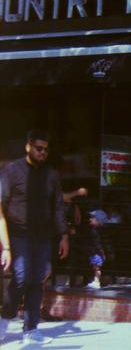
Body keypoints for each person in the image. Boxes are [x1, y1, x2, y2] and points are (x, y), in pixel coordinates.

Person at [0, 130, 69, 346]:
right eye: (39, 148)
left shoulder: (51, 174)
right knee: (21, 276)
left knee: (37, 280)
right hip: (18, 233)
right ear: (28, 147)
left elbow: (58, 206)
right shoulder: (12, 170)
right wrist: (5, 244)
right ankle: (4, 318)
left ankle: (30, 329)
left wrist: (64, 236)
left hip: (43, 236)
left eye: (46, 150)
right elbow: (2, 205)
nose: (43, 153)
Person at [84, 209, 113, 289]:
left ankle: (96, 281)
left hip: (96, 253)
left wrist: (100, 252)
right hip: (94, 252)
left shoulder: (97, 232)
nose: (90, 219)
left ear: (99, 220)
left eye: (93, 218)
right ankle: (95, 280)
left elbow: (98, 244)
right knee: (95, 268)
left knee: (96, 268)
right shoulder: (94, 230)